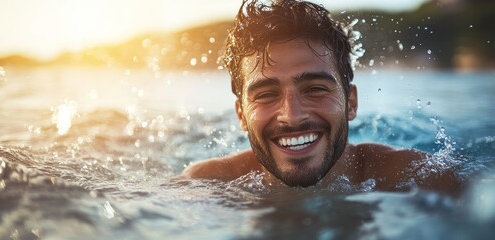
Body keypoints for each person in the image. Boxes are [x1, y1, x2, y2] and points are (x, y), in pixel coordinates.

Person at [181, 0, 461, 195]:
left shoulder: (420, 178)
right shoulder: (207, 184)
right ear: (241, 115)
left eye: (315, 89)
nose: (293, 115)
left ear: (351, 102)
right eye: (266, 94)